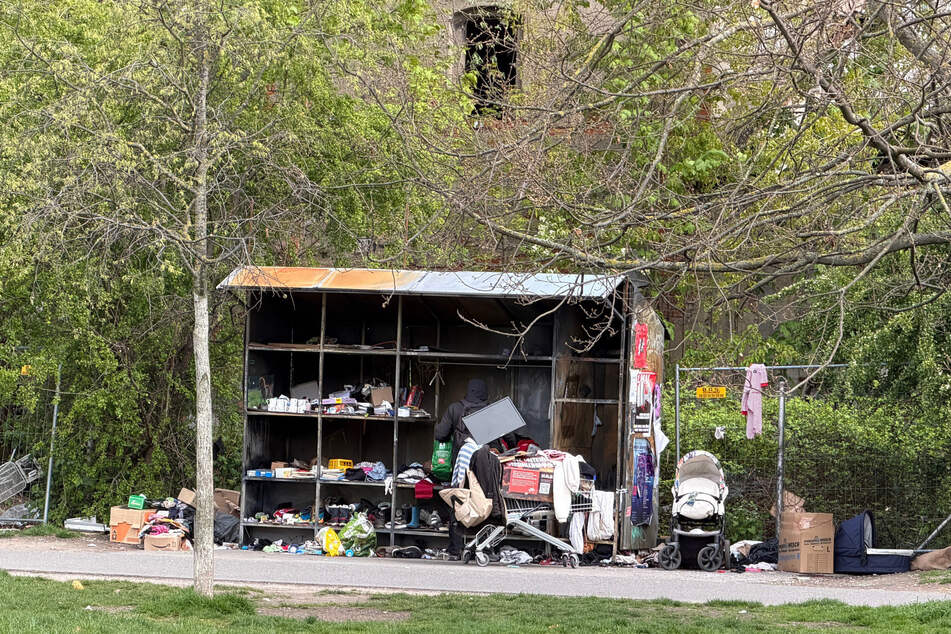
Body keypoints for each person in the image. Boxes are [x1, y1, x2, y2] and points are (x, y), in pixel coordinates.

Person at [435, 378, 488, 559]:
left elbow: (440, 434)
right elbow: (509, 437)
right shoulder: (491, 410)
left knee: (458, 501)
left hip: (462, 464)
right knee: (484, 502)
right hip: (485, 465)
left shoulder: (455, 408)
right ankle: (484, 547)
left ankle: (456, 549)